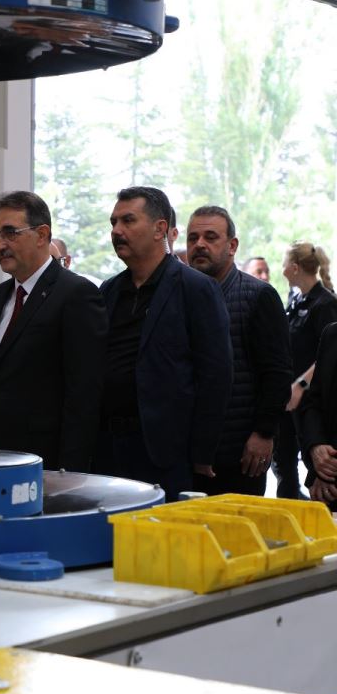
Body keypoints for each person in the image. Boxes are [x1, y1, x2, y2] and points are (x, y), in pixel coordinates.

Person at [95, 186, 232, 501]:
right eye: (113, 222)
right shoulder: (109, 290)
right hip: (108, 447)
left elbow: (216, 375)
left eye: (128, 220)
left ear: (160, 229)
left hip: (164, 451)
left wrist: (202, 451)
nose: (117, 230)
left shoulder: (195, 288)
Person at [0, 190, 107, 469]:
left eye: (10, 233)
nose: (0, 244)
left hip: (43, 461)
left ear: (42, 235)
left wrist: (70, 470)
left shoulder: (76, 294)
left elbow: (83, 395)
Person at [186, 206, 291, 495]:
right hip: (187, 452)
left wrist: (263, 433)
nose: (199, 245)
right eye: (193, 238)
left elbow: (277, 373)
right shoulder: (180, 296)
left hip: (240, 454)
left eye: (210, 237)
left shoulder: (258, 295)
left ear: (232, 246)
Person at [273, 242, 337, 498]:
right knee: (283, 460)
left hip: (309, 397)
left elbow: (327, 360)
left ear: (295, 267)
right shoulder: (296, 300)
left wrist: (300, 385)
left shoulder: (325, 304)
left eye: (284, 263)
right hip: (291, 397)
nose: (281, 270)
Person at [298, 322, 337, 508]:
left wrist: (328, 472)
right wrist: (316, 447)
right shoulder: (331, 334)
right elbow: (313, 403)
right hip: (328, 490)